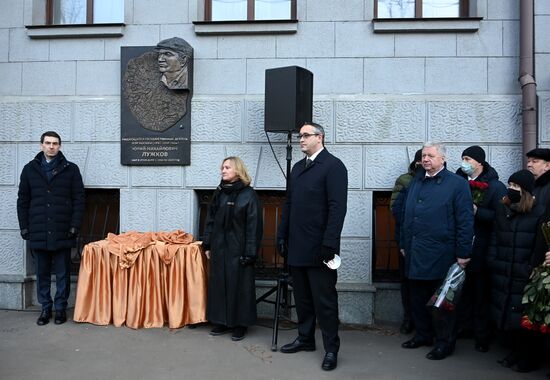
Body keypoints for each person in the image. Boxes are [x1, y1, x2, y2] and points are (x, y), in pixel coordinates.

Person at [277, 122, 348, 371]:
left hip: (320, 248)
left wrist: (330, 243)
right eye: (300, 136)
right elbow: (289, 204)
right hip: (297, 245)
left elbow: (337, 209)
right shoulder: (297, 168)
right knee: (303, 298)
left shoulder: (333, 166)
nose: (301, 140)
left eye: (306, 135)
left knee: (325, 301)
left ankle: (331, 349)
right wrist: (282, 234)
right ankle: (306, 338)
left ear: (320, 137)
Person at [399, 142, 474, 360]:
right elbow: (406, 214)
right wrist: (404, 243)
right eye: (423, 155)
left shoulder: (457, 184)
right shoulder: (417, 180)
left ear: (443, 159)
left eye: (431, 155)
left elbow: (465, 220)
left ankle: (445, 342)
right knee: (417, 298)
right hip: (415, 251)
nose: (426, 159)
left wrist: (463, 252)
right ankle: (423, 335)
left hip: (442, 253)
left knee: (442, 303)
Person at [17, 131, 85, 326]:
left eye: (55, 143)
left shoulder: (71, 169)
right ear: (41, 146)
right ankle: (45, 308)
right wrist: (24, 227)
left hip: (63, 229)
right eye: (47, 143)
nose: (51, 146)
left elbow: (79, 199)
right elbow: (23, 200)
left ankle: (61, 308)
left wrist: (74, 225)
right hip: (38, 230)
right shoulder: (29, 169)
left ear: (60, 146)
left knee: (63, 273)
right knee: (42, 273)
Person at [487, 170, 545, 373]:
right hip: (503, 270)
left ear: (526, 191)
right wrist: (493, 260)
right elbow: (495, 237)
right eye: (510, 185)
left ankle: (527, 359)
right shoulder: (503, 208)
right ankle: (514, 353)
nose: (511, 189)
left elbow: (540, 245)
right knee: (508, 315)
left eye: (516, 187)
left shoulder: (539, 212)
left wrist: (530, 268)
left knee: (524, 320)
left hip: (525, 273)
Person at [202, 156, 263, 342]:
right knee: (219, 284)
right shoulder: (219, 192)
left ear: (237, 170)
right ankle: (220, 321)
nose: (223, 170)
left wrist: (250, 252)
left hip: (239, 249)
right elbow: (210, 219)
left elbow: (255, 226)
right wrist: (208, 244)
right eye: (222, 167)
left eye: (227, 167)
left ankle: (239, 325)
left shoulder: (249, 195)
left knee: (240, 287)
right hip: (220, 248)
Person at [454, 146, 506, 352]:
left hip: (482, 250)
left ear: (479, 163)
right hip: (459, 249)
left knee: (481, 295)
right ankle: (463, 328)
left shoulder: (494, 187)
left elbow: (500, 218)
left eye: (468, 159)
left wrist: (477, 211)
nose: (464, 162)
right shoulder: (457, 183)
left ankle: (482, 335)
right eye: (463, 158)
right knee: (461, 293)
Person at [391, 148, 422, 335]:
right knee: (407, 283)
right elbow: (395, 209)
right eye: (422, 159)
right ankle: (408, 319)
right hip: (407, 241)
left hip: (428, 243)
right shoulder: (405, 180)